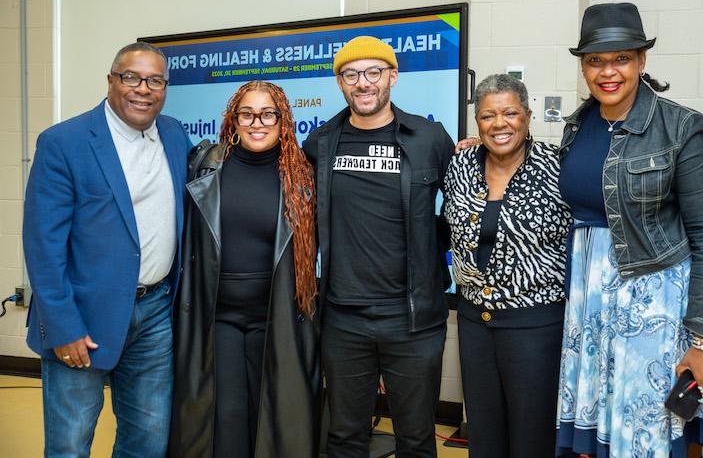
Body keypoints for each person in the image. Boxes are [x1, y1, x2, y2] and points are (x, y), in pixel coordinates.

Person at [555, 2, 703, 457]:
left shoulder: (681, 127)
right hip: (588, 308)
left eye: (621, 58)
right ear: (583, 66)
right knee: (596, 440)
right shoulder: (578, 125)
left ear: (642, 60)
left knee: (644, 437)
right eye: (595, 61)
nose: (607, 72)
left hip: (652, 308)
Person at [23, 42, 193, 457]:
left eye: (155, 80)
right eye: (131, 77)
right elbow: (43, 245)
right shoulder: (65, 142)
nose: (143, 89)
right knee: (70, 444)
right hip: (83, 319)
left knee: (148, 442)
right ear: (111, 81)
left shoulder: (173, 134)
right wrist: (62, 328)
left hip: (155, 315)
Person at [303, 35, 454, 457]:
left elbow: (464, 204)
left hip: (412, 319)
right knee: (345, 437)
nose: (363, 83)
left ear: (392, 76)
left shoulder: (428, 138)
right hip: (342, 318)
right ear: (340, 83)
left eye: (373, 72)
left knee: (416, 439)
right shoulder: (321, 143)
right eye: (351, 74)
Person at [170, 80, 321, 458]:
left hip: (278, 317)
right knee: (225, 417)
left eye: (268, 113)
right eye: (247, 113)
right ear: (233, 119)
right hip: (218, 317)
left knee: (270, 420)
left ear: (282, 119)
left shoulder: (304, 175)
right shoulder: (203, 167)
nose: (258, 122)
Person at [443, 74, 572, 457]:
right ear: (477, 123)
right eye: (487, 116)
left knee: (532, 435)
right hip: (473, 322)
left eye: (510, 113)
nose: (499, 124)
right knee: (483, 433)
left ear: (528, 116)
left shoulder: (559, 166)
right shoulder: (459, 165)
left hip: (536, 325)